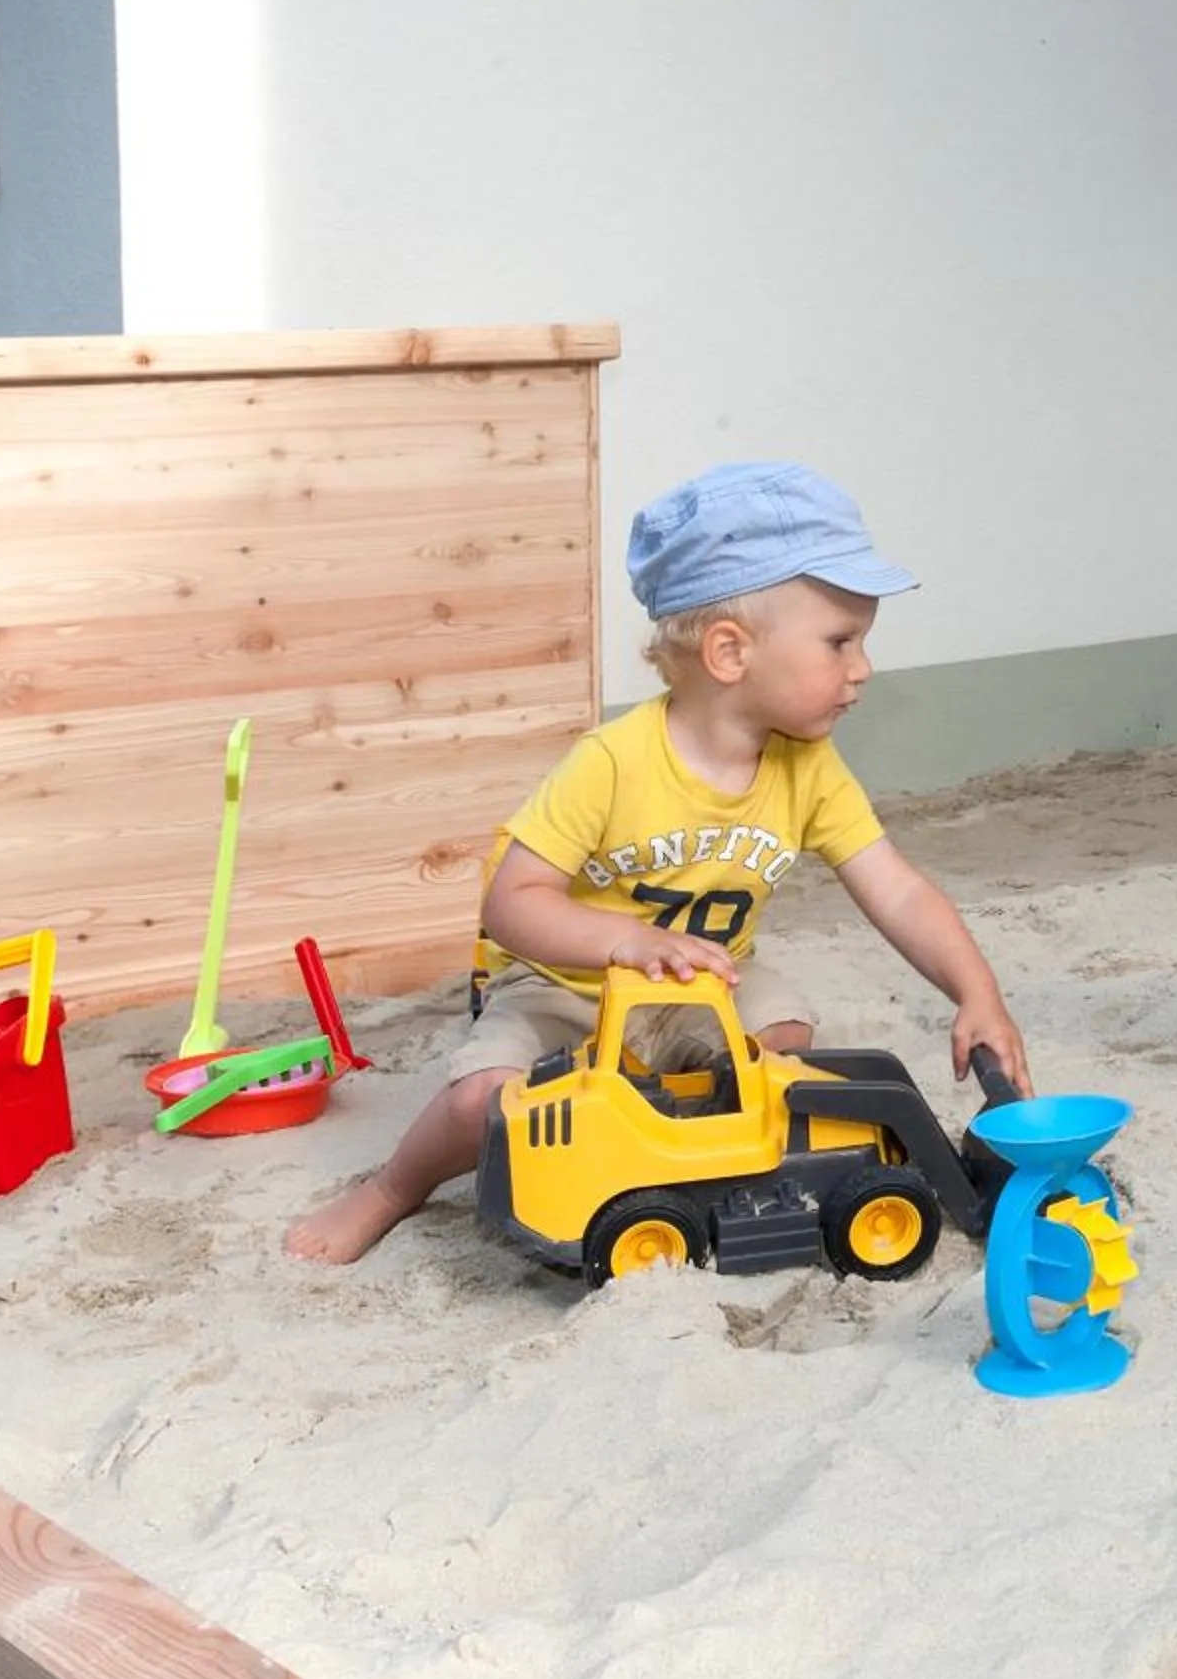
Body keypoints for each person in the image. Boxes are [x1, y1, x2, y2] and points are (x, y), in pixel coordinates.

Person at [285, 461, 1031, 1264]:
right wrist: (624, 943)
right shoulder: (611, 763)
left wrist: (975, 991)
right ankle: (392, 1189)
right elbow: (513, 901)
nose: (863, 667)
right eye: (840, 640)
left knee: (785, 1051)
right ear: (729, 651)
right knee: (480, 1106)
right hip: (567, 991)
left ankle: (711, 1173)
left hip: (708, 989)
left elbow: (899, 890)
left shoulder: (808, 770)